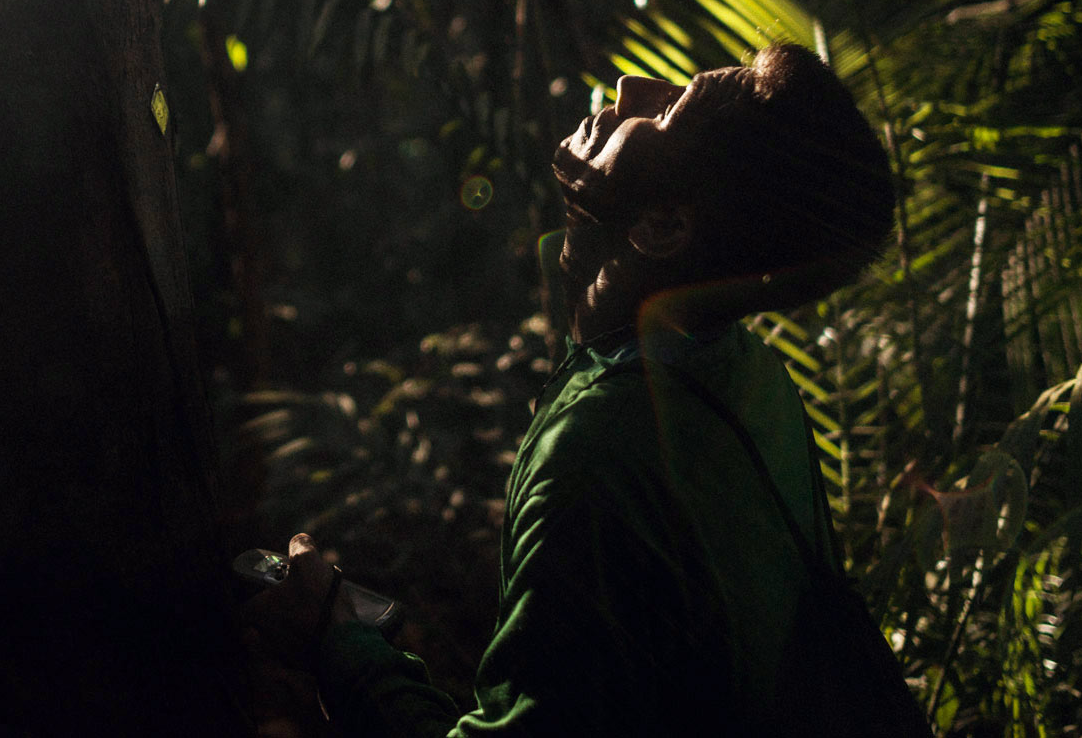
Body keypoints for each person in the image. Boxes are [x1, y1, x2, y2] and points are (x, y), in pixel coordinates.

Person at [243, 43, 899, 735]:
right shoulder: (750, 377)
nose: (633, 83)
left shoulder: (595, 458)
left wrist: (338, 643)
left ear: (664, 226)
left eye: (669, 105)